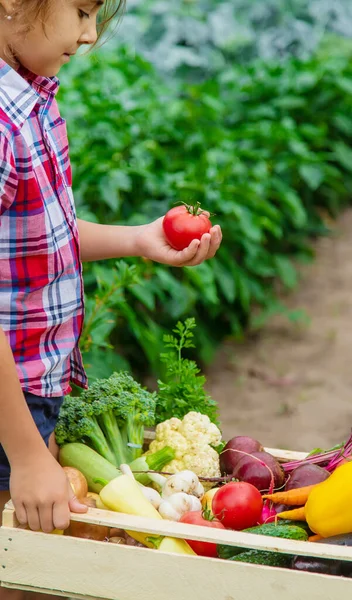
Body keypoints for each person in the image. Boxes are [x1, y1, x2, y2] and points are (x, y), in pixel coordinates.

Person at [0, 1, 222, 597]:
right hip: (7, 403)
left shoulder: (30, 98)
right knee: (15, 570)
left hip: (27, 395)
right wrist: (25, 454)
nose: (90, 34)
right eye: (80, 9)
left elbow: (35, 240)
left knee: (32, 565)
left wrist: (138, 240)